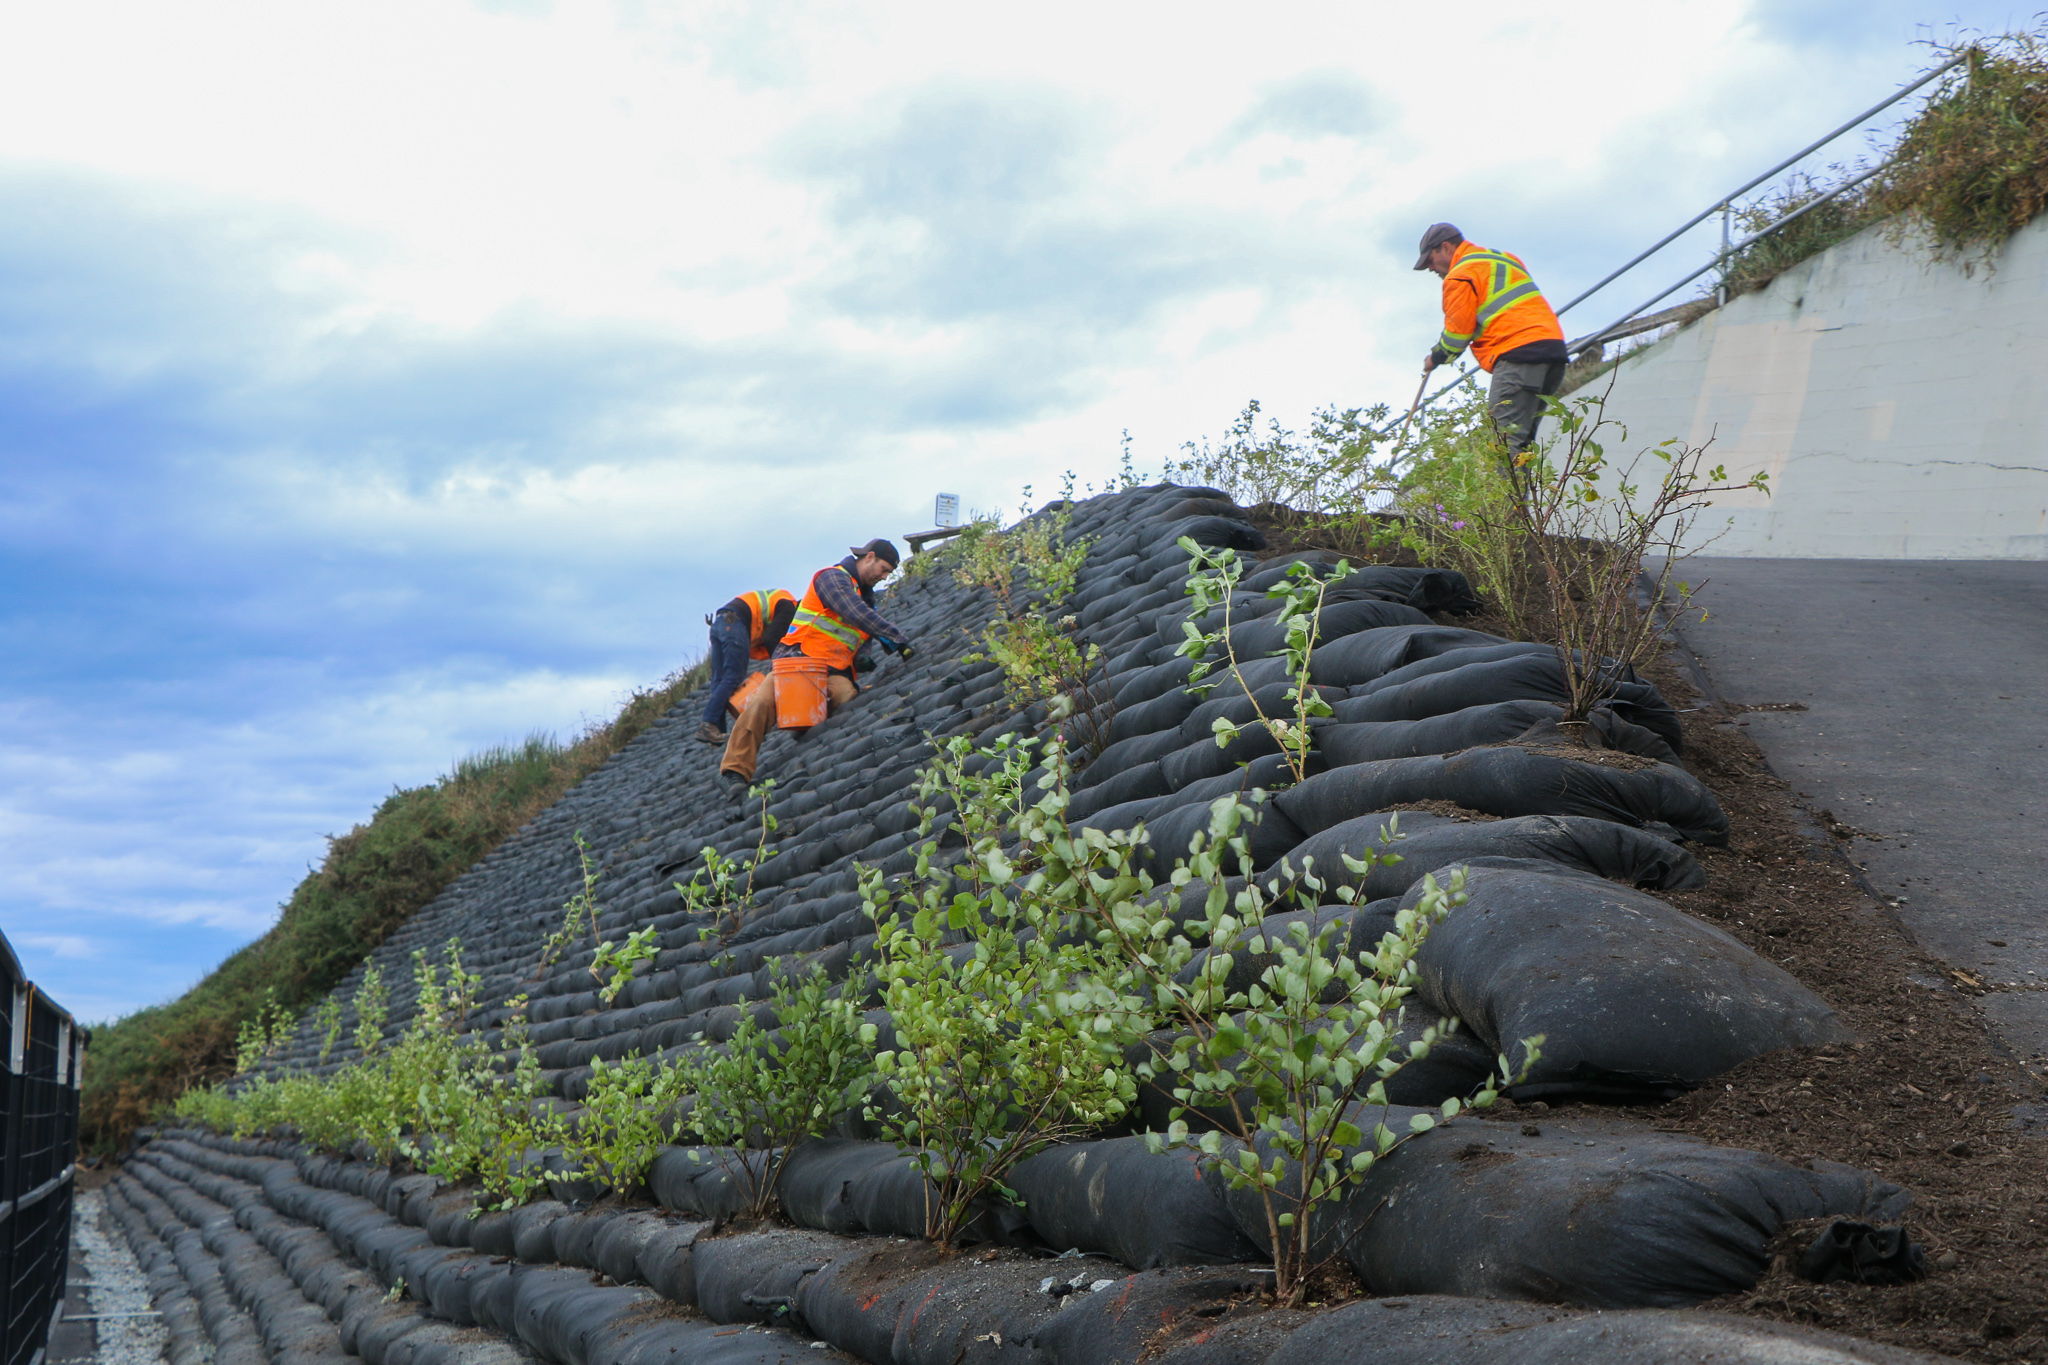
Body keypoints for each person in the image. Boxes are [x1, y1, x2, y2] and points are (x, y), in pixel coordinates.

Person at [717, 539, 915, 796]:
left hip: (835, 671)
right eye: (884, 569)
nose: (884, 576)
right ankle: (735, 772)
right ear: (870, 557)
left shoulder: (867, 600)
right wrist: (896, 637)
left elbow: (861, 635)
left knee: (846, 699)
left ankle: (805, 729)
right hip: (798, 660)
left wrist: (863, 657)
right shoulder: (832, 578)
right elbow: (853, 612)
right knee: (762, 704)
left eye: (889, 573)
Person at [1415, 222, 1569, 462]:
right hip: (1554, 353)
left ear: (1445, 247)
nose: (1430, 268)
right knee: (1522, 443)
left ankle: (1510, 502)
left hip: (1518, 355)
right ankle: (1525, 500)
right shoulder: (1505, 259)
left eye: (1430, 260)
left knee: (1505, 446)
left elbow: (1456, 337)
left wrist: (1434, 358)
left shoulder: (1461, 275)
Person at [697, 588, 799, 745]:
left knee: (720, 678)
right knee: (733, 676)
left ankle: (715, 729)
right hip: (734, 622)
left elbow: (762, 645)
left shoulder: (778, 605)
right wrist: (781, 666)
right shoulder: (789, 607)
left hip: (720, 623)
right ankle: (709, 723)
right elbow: (772, 639)